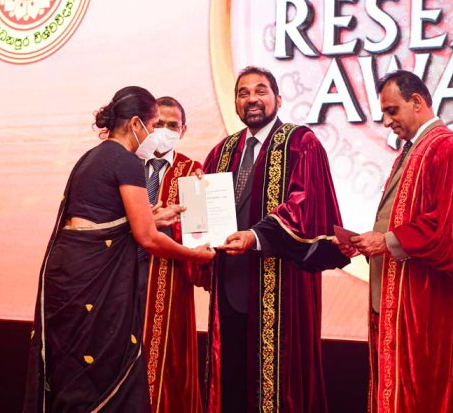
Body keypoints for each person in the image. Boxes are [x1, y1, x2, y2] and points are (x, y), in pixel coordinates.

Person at [23, 86, 215, 413]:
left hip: (71, 277)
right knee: (100, 374)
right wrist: (195, 255)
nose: (155, 135)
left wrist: (154, 216)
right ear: (136, 124)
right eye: (153, 125)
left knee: (72, 370)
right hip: (97, 283)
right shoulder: (127, 162)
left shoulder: (91, 156)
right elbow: (147, 238)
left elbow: (104, 218)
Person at [339, 70, 453, 412]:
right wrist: (366, 244)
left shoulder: (449, 148)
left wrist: (385, 242)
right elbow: (402, 220)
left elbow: (450, 228)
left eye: (392, 110)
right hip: (398, 297)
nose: (386, 122)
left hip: (426, 305)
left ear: (418, 102)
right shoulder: (412, 151)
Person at [200, 66, 350, 412]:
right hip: (229, 285)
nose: (251, 98)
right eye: (243, 93)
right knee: (232, 379)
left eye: (260, 90)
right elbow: (207, 216)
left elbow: (305, 206)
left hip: (281, 286)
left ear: (278, 99)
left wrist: (256, 236)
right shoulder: (222, 151)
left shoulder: (300, 143)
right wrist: (195, 209)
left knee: (280, 381)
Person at [137, 96, 209, 413]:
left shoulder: (193, 172)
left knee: (169, 363)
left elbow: (200, 236)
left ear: (183, 130)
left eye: (172, 125)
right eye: (159, 124)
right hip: (124, 278)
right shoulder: (127, 165)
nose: (165, 131)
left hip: (170, 280)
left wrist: (174, 224)